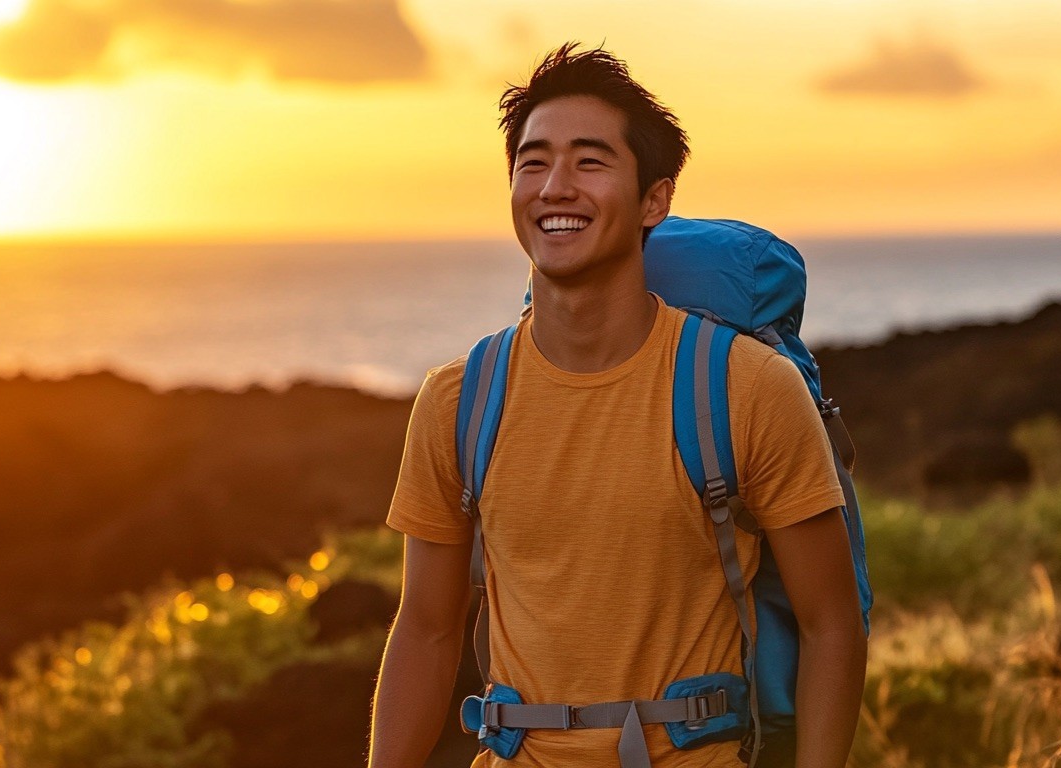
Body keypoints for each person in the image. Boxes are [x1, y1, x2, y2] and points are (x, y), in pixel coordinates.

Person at [367, 43, 867, 768]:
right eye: (532, 163)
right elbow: (426, 628)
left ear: (654, 201)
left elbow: (832, 626)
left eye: (589, 161)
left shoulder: (746, 387)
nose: (554, 187)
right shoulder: (459, 398)